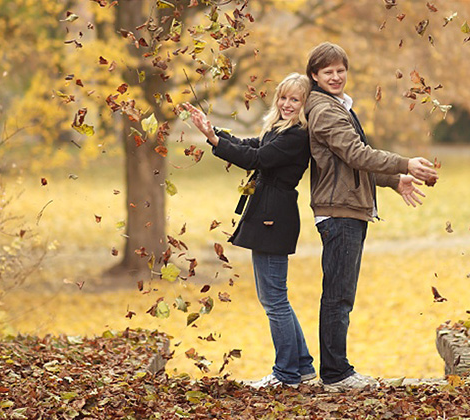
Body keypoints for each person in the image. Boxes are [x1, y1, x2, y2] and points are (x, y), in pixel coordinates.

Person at [303, 42, 439, 390]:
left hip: (347, 209)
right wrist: (404, 163)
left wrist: (394, 180)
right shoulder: (325, 111)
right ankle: (336, 375)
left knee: (340, 293)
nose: (336, 76)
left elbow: (349, 162)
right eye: (328, 71)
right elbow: (356, 153)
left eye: (340, 70)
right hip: (339, 213)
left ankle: (337, 371)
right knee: (338, 295)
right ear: (315, 76)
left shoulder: (335, 106)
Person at [180, 73, 316, 388]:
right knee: (275, 299)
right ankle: (303, 368)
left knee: (274, 300)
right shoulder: (279, 130)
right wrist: (213, 131)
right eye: (283, 97)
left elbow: (255, 158)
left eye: (294, 99)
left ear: (305, 105)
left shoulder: (296, 135)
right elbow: (249, 145)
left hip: (274, 217)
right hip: (268, 213)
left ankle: (286, 375)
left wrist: (214, 140)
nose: (286, 104)